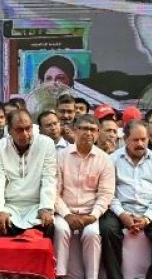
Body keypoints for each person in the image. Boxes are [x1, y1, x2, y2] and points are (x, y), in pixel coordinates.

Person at [99, 120, 152, 279]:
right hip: (119, 211)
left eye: (143, 139)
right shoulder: (112, 160)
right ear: (125, 139)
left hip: (149, 210)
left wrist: (148, 217)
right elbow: (108, 192)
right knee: (106, 229)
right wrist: (122, 215)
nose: (140, 144)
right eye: (135, 140)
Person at [53, 114, 115, 279]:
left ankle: (92, 276)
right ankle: (60, 275)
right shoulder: (61, 156)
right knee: (60, 229)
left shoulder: (104, 160)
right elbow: (54, 191)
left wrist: (93, 216)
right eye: (84, 129)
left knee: (92, 234)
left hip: (90, 213)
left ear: (98, 133)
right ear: (75, 130)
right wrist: (67, 214)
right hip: (65, 211)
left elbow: (106, 194)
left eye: (93, 130)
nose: (88, 133)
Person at [0, 109, 56, 238]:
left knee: (47, 225)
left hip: (36, 205)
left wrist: (46, 207)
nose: (25, 134)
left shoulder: (46, 143)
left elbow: (49, 178)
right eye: (19, 130)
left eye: (28, 128)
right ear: (9, 130)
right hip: (9, 205)